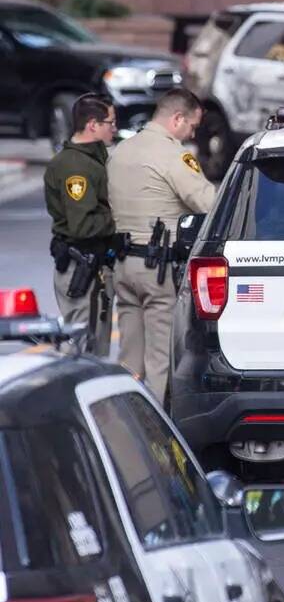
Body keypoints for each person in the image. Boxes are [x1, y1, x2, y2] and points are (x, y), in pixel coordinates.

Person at [108, 89, 216, 403]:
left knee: (130, 357)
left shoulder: (120, 151)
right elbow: (206, 202)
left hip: (124, 265)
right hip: (158, 269)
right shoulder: (173, 155)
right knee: (161, 359)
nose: (192, 134)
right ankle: (155, 431)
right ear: (177, 118)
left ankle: (125, 414)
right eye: (191, 126)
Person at [43, 93, 118, 354]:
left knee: (96, 346)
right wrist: (116, 220)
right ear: (92, 125)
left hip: (92, 262)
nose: (114, 128)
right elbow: (82, 225)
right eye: (110, 122)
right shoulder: (76, 167)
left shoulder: (92, 159)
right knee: (80, 347)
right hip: (81, 264)